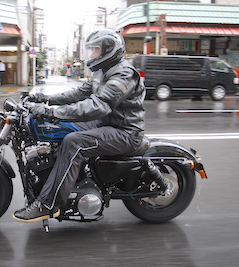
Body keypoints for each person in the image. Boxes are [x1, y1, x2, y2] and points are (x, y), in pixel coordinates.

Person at [13, 28, 146, 223]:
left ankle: (48, 204)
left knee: (74, 142)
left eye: (95, 50)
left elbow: (99, 105)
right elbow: (77, 94)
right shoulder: (102, 72)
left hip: (124, 132)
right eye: (91, 50)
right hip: (106, 124)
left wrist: (51, 112)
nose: (91, 55)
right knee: (60, 128)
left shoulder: (123, 74)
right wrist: (46, 99)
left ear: (109, 50)